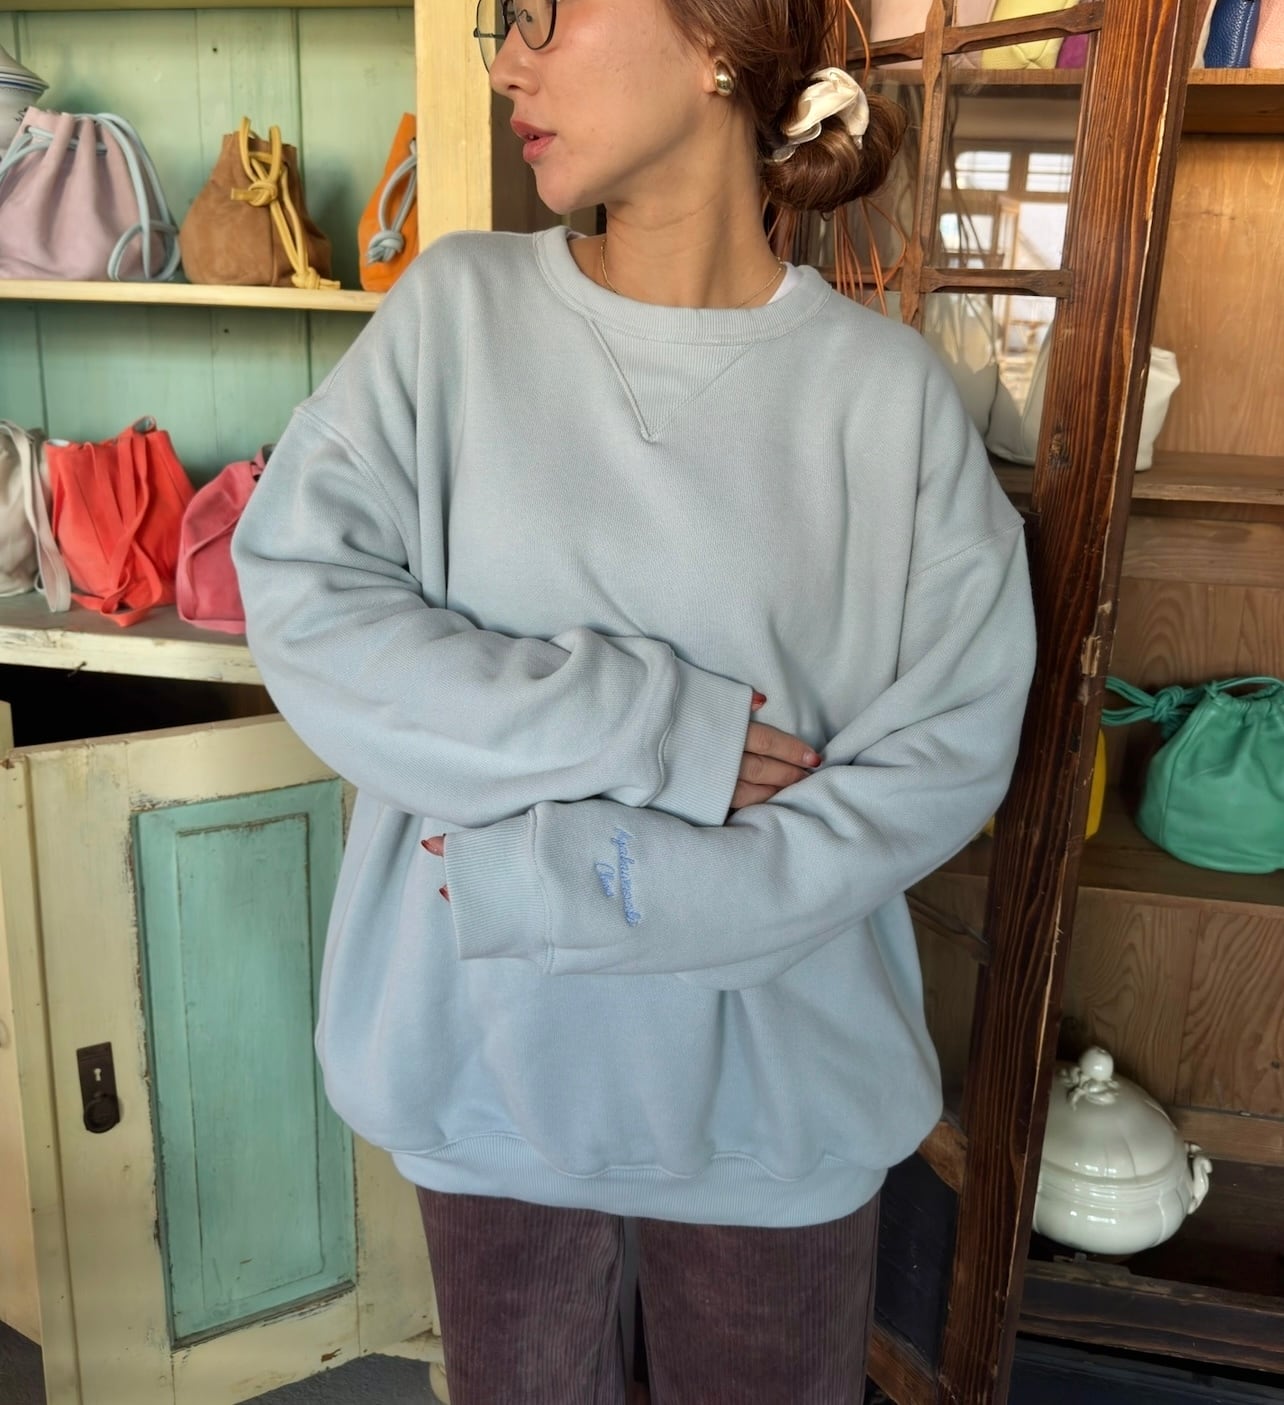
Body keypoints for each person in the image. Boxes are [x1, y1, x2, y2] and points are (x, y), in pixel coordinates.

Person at [231, 0, 1037, 1399]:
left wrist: (567, 881)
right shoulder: (456, 318)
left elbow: (948, 751)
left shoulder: (885, 400)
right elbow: (306, 602)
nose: (507, 61)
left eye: (545, 10)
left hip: (775, 1111)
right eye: (502, 22)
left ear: (717, 36)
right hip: (485, 1081)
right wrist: (654, 728)